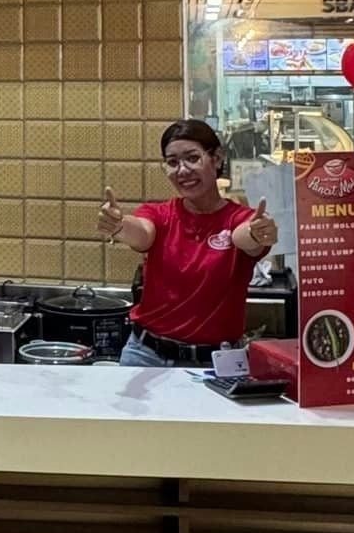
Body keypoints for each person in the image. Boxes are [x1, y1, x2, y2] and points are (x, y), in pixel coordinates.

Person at [97, 118, 278, 366]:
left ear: (216, 159)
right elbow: (141, 233)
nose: (182, 171)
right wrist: (118, 226)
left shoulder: (240, 218)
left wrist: (257, 232)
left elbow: (244, 236)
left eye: (192, 158)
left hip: (215, 361)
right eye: (172, 163)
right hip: (145, 354)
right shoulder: (159, 214)